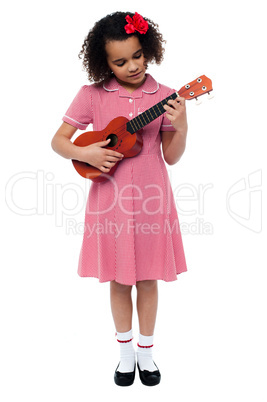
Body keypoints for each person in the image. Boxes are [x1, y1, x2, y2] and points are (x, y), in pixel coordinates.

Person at [51, 11, 187, 387]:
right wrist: (87, 154)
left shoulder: (165, 96)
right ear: (104, 62)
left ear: (149, 51)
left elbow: (172, 156)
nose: (132, 66)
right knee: (118, 279)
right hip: (108, 200)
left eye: (138, 55)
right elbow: (59, 141)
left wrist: (183, 123)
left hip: (151, 199)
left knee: (147, 279)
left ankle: (146, 353)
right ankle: (125, 355)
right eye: (120, 61)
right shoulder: (92, 96)